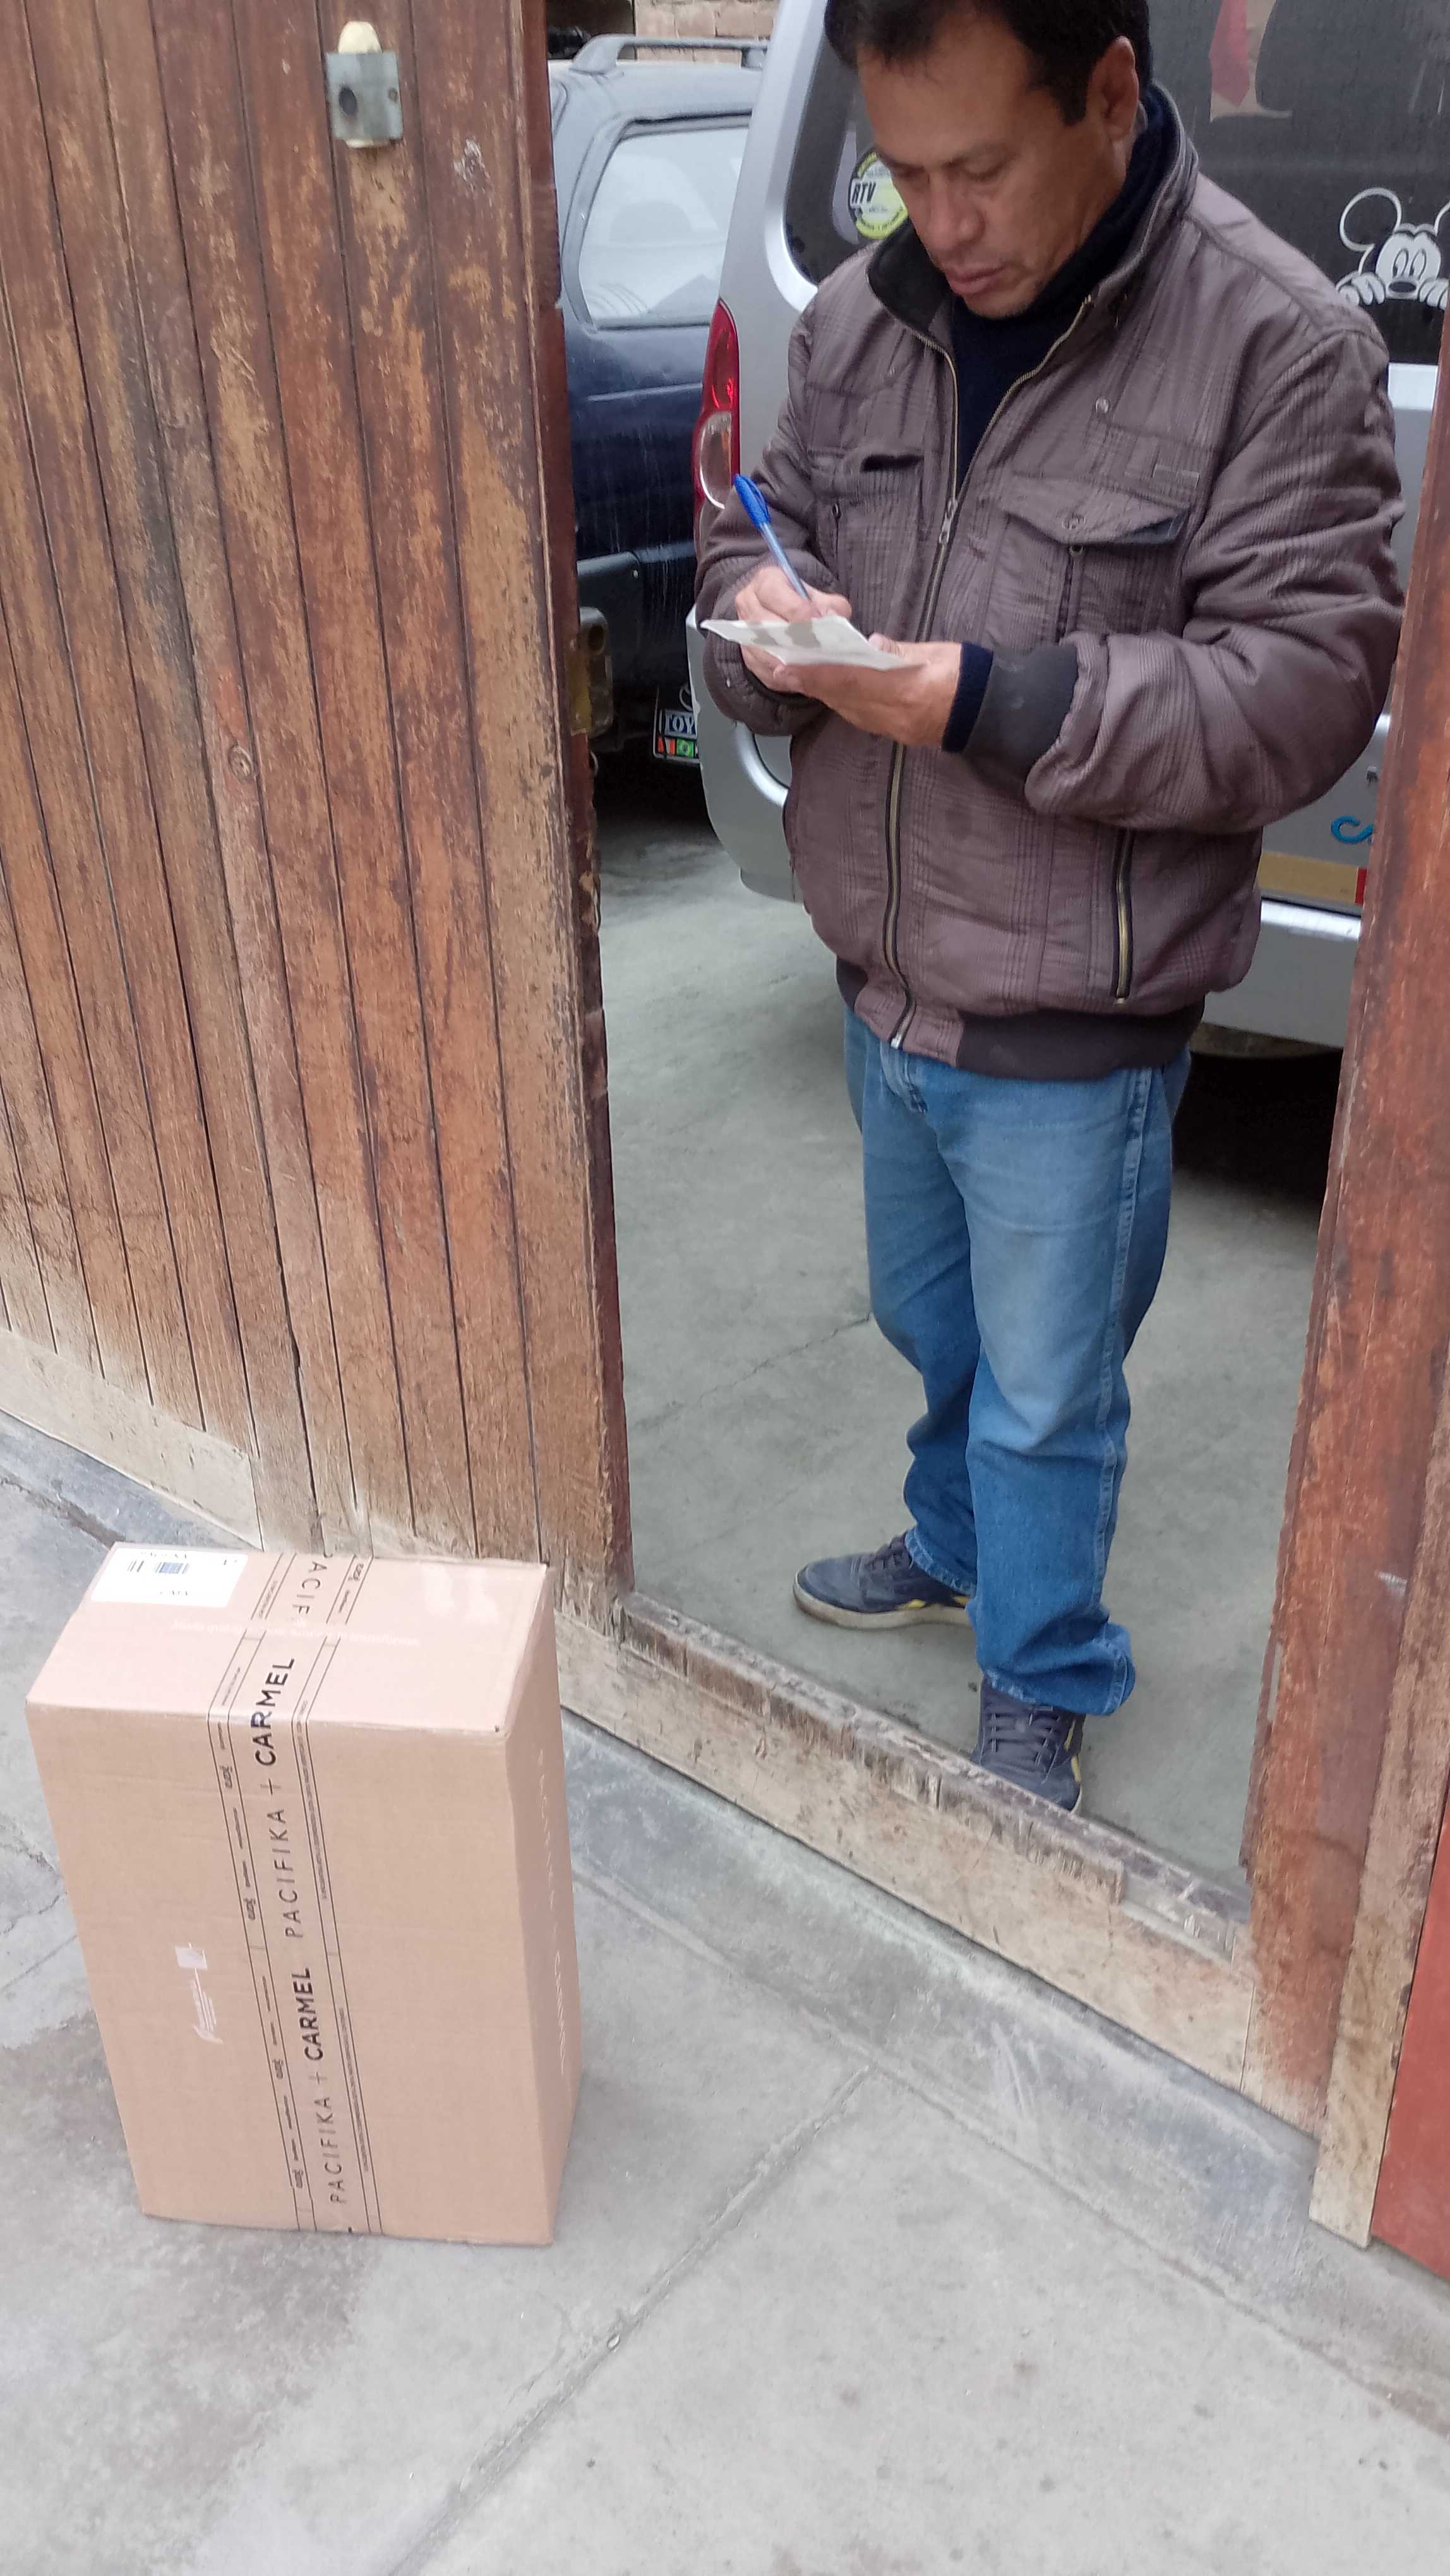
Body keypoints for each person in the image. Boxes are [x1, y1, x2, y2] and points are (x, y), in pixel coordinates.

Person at [695, 0, 1401, 1812]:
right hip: (885, 976)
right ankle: (954, 1551)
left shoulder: (1275, 343)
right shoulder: (858, 325)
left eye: (981, 170)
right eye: (900, 175)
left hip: (1075, 1020)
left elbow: (1303, 688)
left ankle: (1044, 1670)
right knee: (930, 1327)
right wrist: (762, 619)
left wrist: (987, 701)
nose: (940, 224)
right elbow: (756, 520)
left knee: (1046, 1395)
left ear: (1108, 93)